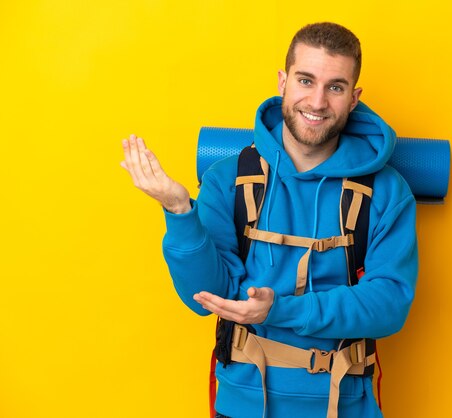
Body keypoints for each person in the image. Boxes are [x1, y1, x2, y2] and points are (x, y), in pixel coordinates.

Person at [121, 22, 417, 418]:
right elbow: (206, 297)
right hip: (243, 403)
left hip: (344, 405)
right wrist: (179, 212)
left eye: (335, 87)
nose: (317, 102)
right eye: (305, 80)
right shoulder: (227, 179)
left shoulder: (386, 190)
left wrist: (278, 310)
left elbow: (388, 305)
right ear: (283, 81)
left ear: (353, 97)